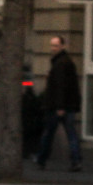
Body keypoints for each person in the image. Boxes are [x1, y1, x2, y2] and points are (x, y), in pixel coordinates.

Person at [36, 35, 83, 172]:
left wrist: (60, 106)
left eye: (56, 45)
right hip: (65, 105)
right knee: (70, 133)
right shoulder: (64, 62)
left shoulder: (61, 63)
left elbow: (61, 86)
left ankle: (41, 159)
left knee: (50, 133)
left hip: (58, 106)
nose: (53, 48)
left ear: (62, 46)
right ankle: (76, 160)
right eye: (52, 45)